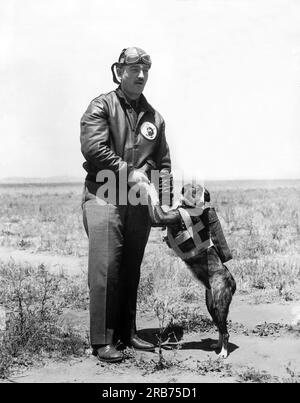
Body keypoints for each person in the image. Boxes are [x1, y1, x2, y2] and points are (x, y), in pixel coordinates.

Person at [80, 47, 173, 363]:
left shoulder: (155, 117)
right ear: (119, 71)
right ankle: (102, 341)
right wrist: (129, 173)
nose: (142, 76)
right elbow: (94, 149)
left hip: (138, 203)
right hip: (103, 195)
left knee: (131, 267)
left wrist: (164, 208)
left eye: (146, 70)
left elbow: (163, 164)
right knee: (106, 269)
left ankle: (127, 333)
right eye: (134, 69)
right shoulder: (101, 106)